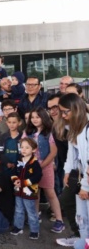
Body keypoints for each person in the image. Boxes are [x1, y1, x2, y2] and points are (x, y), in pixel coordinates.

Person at [23, 106, 64, 232]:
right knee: (35, 193)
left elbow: (53, 152)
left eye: (38, 117)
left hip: (45, 166)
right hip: (31, 166)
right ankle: (35, 217)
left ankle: (59, 220)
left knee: (50, 193)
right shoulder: (27, 132)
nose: (35, 120)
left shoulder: (49, 132)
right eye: (32, 117)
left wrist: (41, 165)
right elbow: (23, 147)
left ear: (44, 117)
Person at [58, 93, 89, 248]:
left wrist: (85, 186)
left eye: (66, 112)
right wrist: (67, 171)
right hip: (81, 174)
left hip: (86, 177)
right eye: (61, 112)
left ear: (76, 109)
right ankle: (82, 240)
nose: (63, 116)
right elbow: (72, 153)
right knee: (82, 216)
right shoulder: (73, 127)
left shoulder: (87, 128)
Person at [11, 137, 43, 240]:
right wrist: (15, 180)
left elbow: (37, 176)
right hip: (18, 191)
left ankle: (34, 230)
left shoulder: (34, 163)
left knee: (31, 212)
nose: (23, 150)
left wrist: (24, 182)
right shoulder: (19, 160)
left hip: (29, 192)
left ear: (34, 150)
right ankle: (18, 227)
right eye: (22, 147)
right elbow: (14, 172)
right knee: (18, 210)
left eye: (27, 148)